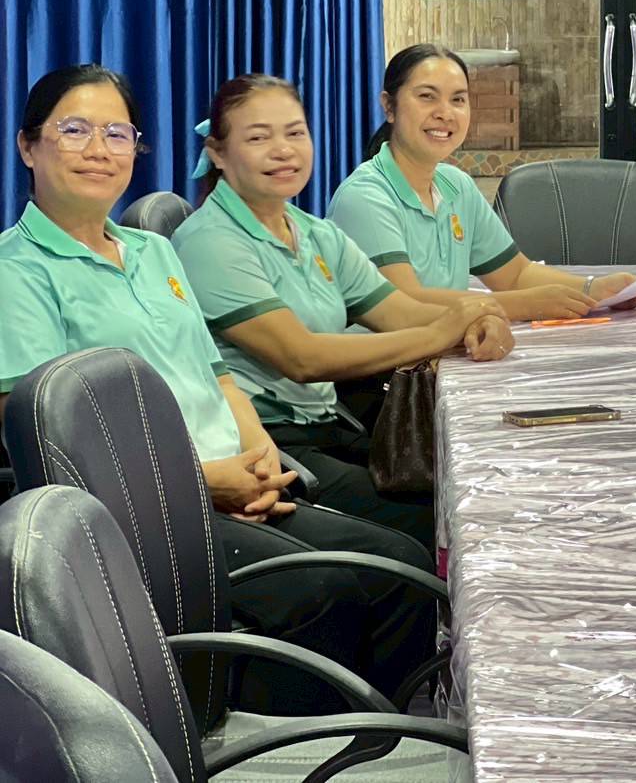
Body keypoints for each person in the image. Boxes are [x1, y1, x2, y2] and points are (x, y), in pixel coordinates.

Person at [0, 65, 436, 711]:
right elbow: (45, 442)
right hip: (143, 511)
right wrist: (203, 480)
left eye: (117, 134)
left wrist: (260, 456)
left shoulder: (153, 252)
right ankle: (294, 747)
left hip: (234, 480)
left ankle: (392, 741)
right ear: (27, 146)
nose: (98, 150)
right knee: (324, 595)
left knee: (402, 567)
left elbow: (217, 374)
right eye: (74, 130)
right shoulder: (16, 271)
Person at [172, 74, 512, 551]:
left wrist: (478, 316)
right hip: (268, 446)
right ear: (218, 154)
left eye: (295, 133)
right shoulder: (210, 242)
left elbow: (399, 311)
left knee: (475, 484)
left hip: (330, 426)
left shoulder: (314, 233)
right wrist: (445, 330)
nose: (283, 150)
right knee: (443, 518)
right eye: (258, 138)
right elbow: (303, 358)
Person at [328, 44, 636, 321]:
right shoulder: (365, 197)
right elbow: (404, 305)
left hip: (446, 358)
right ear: (389, 106)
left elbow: (515, 275)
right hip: (385, 375)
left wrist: (593, 289)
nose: (445, 113)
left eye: (458, 99)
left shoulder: (456, 186)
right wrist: (524, 305)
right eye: (427, 97)